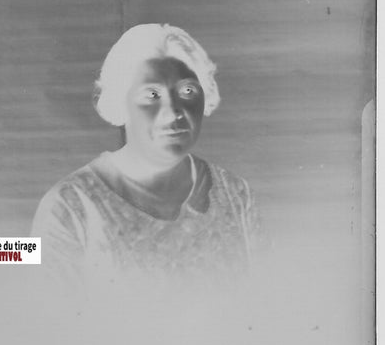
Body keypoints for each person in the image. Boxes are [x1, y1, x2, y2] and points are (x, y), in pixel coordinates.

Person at [31, 23, 262, 292]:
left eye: (188, 91)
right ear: (120, 103)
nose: (174, 110)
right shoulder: (71, 205)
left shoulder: (235, 194)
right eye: (152, 95)